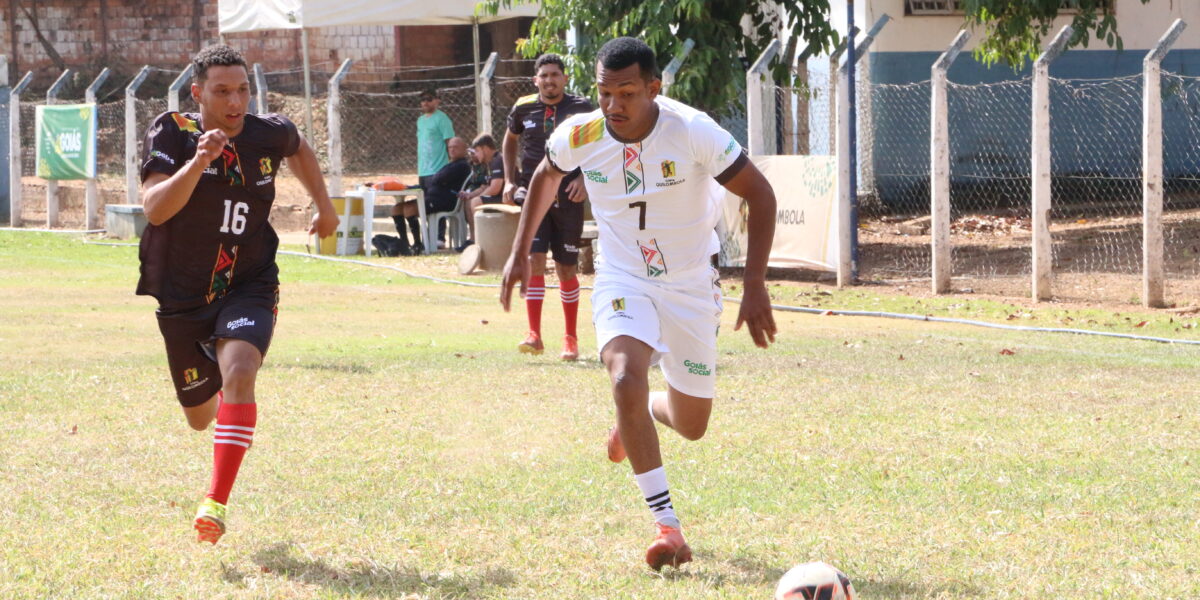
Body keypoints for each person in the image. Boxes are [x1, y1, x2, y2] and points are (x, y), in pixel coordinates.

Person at [499, 37, 777, 571]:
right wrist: (517, 253)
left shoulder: (694, 132)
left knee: (691, 423)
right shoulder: (581, 133)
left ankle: (640, 417)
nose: (613, 107)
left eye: (626, 93)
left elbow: (759, 194)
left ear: (654, 88)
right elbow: (545, 175)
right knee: (625, 375)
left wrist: (757, 283)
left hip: (693, 284)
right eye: (605, 93)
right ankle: (667, 527)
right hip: (623, 274)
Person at [137, 44, 339, 544]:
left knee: (242, 373)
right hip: (184, 293)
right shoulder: (174, 132)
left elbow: (297, 146)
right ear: (197, 93)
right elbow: (155, 209)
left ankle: (215, 502)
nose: (235, 102)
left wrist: (324, 204)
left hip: (249, 279)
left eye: (243, 90)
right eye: (222, 91)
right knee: (200, 419)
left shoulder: (264, 131)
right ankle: (221, 381)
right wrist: (199, 161)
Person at [502, 53, 594, 361]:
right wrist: (509, 180)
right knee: (535, 260)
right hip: (533, 196)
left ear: (564, 78)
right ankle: (534, 335)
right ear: (536, 80)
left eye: (555, 75)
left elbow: (599, 146)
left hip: (568, 196)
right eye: (544, 75)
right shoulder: (523, 107)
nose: (550, 80)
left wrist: (585, 179)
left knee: (567, 266)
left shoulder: (582, 108)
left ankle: (570, 338)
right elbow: (510, 140)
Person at [391, 136, 471, 253]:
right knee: (396, 209)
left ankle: (418, 244)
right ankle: (404, 243)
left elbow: (436, 179)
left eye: (456, 147)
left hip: (445, 201)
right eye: (450, 148)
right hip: (432, 198)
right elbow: (434, 181)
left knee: (409, 209)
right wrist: (408, 187)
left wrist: (435, 178)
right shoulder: (450, 165)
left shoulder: (462, 165)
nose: (452, 150)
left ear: (464, 149)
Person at [457, 133, 505, 251]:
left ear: (485, 148)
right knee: (473, 200)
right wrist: (471, 195)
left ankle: (481, 242)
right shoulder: (489, 163)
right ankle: (479, 240)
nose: (476, 155)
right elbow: (485, 186)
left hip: (507, 198)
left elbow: (495, 188)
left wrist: (478, 198)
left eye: (477, 151)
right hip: (499, 196)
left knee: (476, 202)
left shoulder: (497, 160)